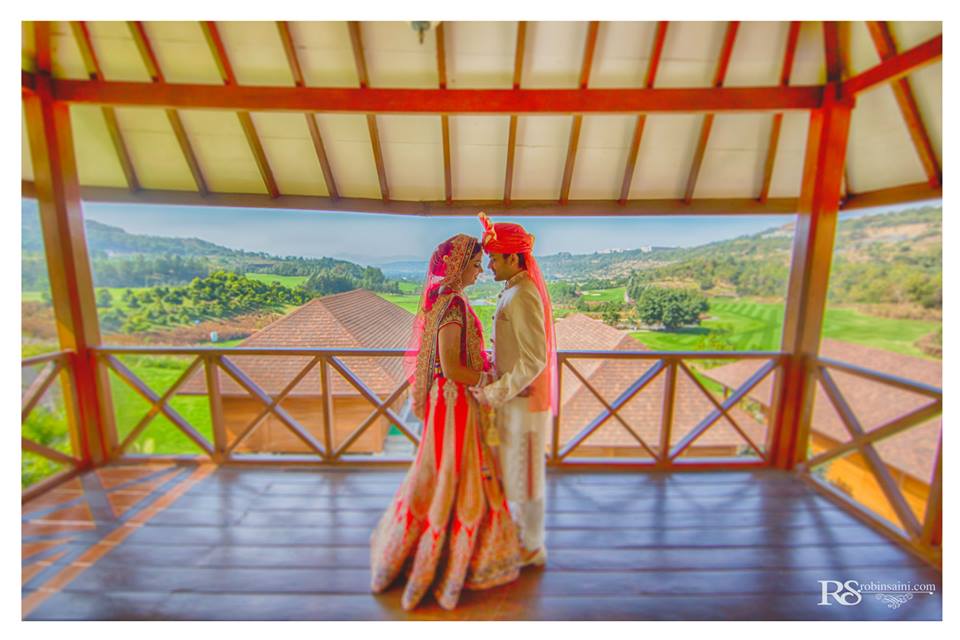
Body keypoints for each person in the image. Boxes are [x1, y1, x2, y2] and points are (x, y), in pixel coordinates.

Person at [370, 233, 522, 611]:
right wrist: (489, 378)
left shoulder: (447, 299)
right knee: (455, 468)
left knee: (447, 469)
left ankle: (443, 554)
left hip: (450, 399)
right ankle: (445, 564)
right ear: (457, 267)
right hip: (454, 400)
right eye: (475, 265)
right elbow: (451, 367)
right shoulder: (452, 304)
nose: (479, 271)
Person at [471, 212, 558, 569]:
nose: (489, 265)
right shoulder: (513, 290)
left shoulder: (522, 295)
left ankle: (533, 546)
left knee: (527, 473)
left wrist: (495, 393)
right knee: (516, 470)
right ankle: (520, 539)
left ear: (513, 257)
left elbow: (535, 358)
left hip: (522, 400)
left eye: (494, 258)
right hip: (515, 399)